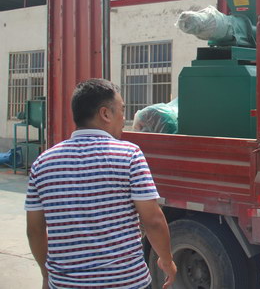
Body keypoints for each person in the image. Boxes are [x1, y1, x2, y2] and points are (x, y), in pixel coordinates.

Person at [25, 78, 177, 289]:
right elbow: (152, 220)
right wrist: (167, 261)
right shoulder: (130, 155)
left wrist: (45, 273)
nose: (124, 119)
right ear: (105, 114)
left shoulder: (42, 163)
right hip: (126, 282)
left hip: (66, 284)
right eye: (122, 111)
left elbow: (34, 229)